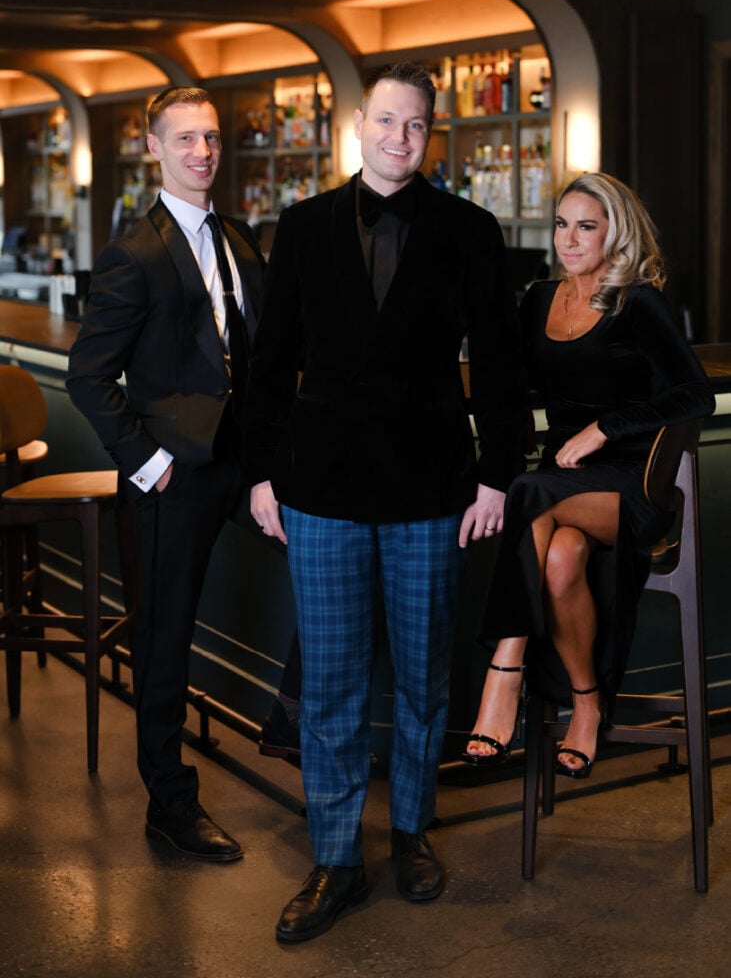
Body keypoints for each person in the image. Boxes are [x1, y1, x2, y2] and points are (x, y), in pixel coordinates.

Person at [244, 61, 526, 943]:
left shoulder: (471, 229)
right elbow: (267, 359)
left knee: (421, 676)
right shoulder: (300, 224)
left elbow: (503, 361)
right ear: (359, 125)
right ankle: (335, 859)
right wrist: (259, 473)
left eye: (416, 126)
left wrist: (495, 474)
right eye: (387, 122)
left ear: (429, 133)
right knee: (328, 684)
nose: (400, 138)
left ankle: (410, 833)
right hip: (319, 486)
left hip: (431, 486)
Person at [66, 86, 267, 863]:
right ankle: (169, 805)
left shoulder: (241, 238)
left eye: (211, 138)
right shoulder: (135, 251)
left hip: (244, 469)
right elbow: (90, 377)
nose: (202, 153)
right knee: (164, 639)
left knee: (330, 572)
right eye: (184, 140)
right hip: (171, 478)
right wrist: (148, 465)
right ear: (154, 147)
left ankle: (289, 738)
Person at [462, 172, 715, 780]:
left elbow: (695, 396)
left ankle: (506, 668)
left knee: (526, 492)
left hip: (631, 485)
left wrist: (606, 428)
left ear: (615, 232)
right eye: (560, 224)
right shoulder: (539, 298)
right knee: (558, 561)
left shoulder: (637, 303)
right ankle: (586, 703)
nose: (568, 240)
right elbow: (505, 376)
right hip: (558, 489)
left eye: (586, 226)